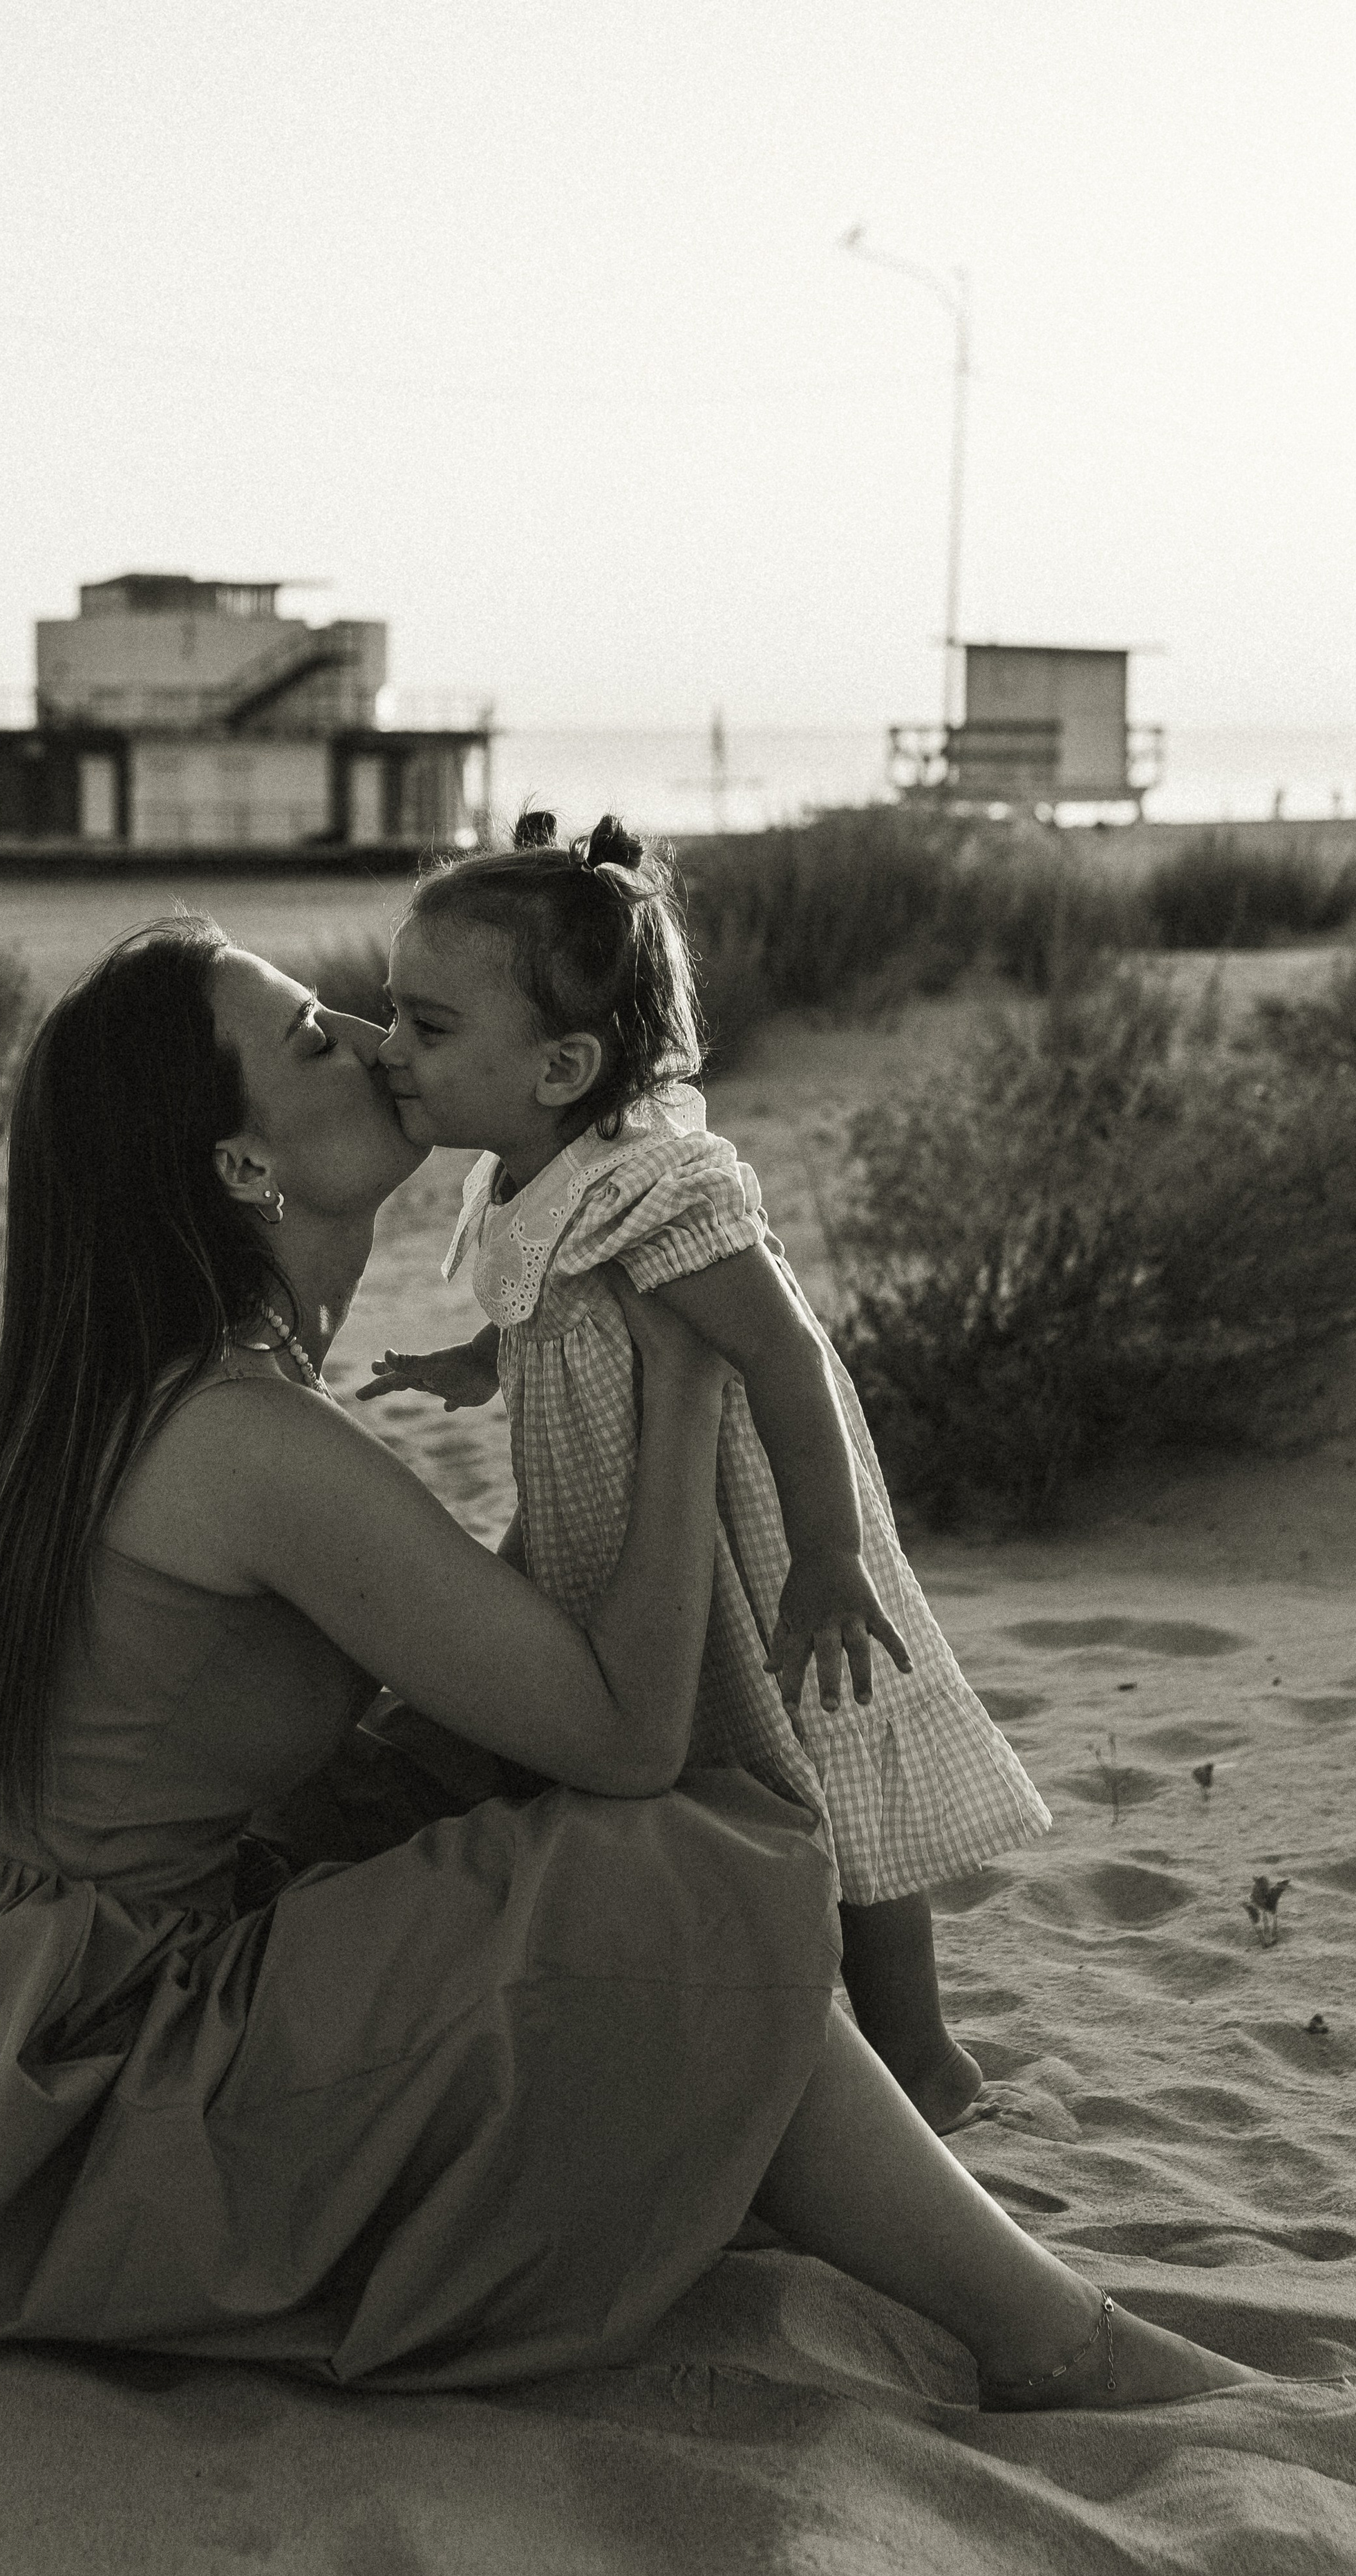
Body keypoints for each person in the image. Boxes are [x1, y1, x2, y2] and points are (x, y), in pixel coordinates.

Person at [0, 914, 1252, 2408]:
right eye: (308, 1040)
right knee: (665, 1873)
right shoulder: (241, 1432)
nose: (367, 1038)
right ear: (239, 1168)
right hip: (71, 2099)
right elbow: (622, 1739)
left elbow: (490, 1656)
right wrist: (678, 1386)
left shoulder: (147, 1380)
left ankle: (822, 2135)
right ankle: (1043, 2335)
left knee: (494, 1788)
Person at [363, 812, 1048, 2133]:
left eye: (431, 1029)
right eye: (395, 1012)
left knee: (821, 1771)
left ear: (564, 1064)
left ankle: (920, 2057)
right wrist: (476, 1364)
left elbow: (785, 1363)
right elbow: (556, 1311)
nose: (390, 1050)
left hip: (754, 1537)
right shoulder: (531, 1173)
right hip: (612, 1516)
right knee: (686, 1765)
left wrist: (833, 1557)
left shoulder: (657, 1187)